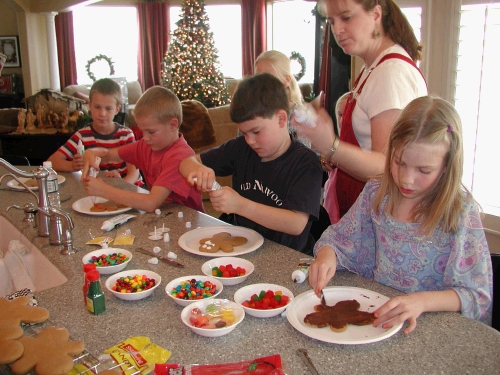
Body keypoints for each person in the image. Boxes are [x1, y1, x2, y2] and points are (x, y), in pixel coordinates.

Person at [308, 96, 493, 334]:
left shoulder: (459, 211)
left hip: (431, 328)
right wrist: (326, 257)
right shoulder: (377, 193)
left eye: (424, 170)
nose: (406, 179)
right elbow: (338, 239)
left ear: (447, 166)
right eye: (399, 163)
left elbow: (476, 295)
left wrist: (421, 301)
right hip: (378, 319)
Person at [293, 0, 428, 224]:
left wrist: (331, 146)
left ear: (376, 14)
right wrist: (335, 154)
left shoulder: (391, 73)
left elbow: (387, 168)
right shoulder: (372, 67)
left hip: (381, 220)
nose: (337, 30)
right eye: (331, 21)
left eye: (346, 18)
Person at [179, 73, 323, 254]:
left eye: (256, 131)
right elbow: (186, 162)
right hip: (242, 249)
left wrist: (240, 205)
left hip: (286, 257)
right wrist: (198, 170)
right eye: (244, 133)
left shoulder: (305, 163)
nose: (250, 140)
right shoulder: (240, 149)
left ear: (281, 119)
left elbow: (295, 224)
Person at [81, 86, 204, 213]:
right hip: (164, 216)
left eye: (151, 131)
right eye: (142, 131)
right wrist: (92, 153)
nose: (145, 138)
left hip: (189, 223)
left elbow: (151, 203)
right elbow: (110, 154)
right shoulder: (147, 145)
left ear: (173, 125)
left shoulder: (180, 156)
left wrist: (103, 190)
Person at [48, 78, 140, 185]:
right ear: (90, 105)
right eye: (97, 107)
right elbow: (52, 162)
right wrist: (72, 166)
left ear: (117, 109)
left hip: (126, 189)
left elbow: (134, 174)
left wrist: (118, 191)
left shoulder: (126, 135)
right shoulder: (82, 136)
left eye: (108, 108)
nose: (102, 113)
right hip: (100, 190)